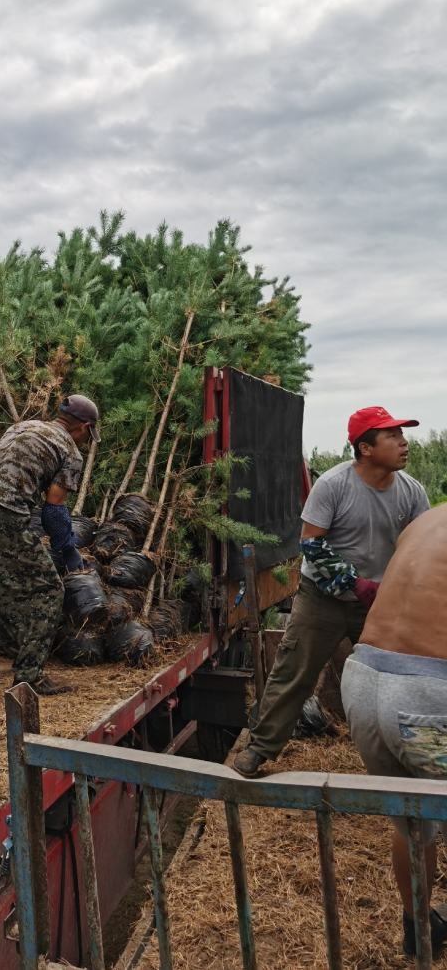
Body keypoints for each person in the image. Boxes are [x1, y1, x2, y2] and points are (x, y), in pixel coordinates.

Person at [233, 405, 429, 778]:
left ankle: (409, 761)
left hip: (380, 604)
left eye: (403, 435)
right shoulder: (334, 485)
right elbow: (311, 546)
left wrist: (398, 589)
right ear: (366, 448)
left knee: (397, 678)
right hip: (322, 599)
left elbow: (418, 546)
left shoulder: (412, 492)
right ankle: (259, 750)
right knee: (294, 673)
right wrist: (355, 583)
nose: (404, 443)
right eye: (394, 436)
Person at [342, 505, 447, 956]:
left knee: (412, 823)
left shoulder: (427, 520)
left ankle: (419, 931)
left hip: (362, 679)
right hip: (425, 694)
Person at [0, 395, 100, 696]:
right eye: (87, 435)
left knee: (3, 589)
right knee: (50, 591)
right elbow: (54, 507)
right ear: (84, 427)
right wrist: (67, 549)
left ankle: (17, 654)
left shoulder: (21, 428)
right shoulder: (69, 450)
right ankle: (30, 676)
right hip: (6, 516)